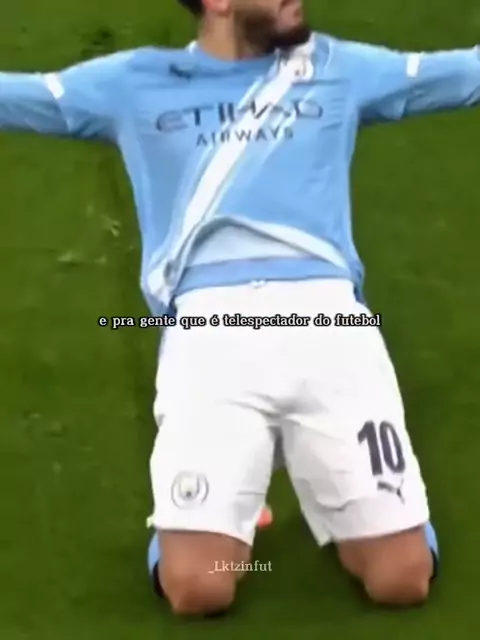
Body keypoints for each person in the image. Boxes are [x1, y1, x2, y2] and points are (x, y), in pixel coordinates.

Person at [8, 0, 480, 617]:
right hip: (210, 337)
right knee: (200, 587)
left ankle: (346, 501)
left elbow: (464, 73)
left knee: (400, 580)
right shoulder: (132, 83)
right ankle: (228, 512)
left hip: (328, 328)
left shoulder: (338, 67)